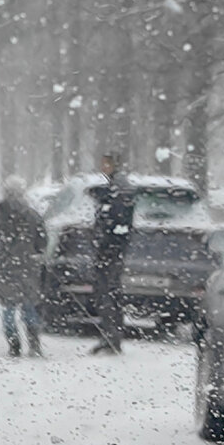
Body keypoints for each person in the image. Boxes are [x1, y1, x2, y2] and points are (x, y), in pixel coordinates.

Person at [0, 175, 47, 357]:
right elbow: (42, 241)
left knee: (8, 309)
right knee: (29, 308)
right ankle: (34, 344)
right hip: (28, 268)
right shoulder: (33, 216)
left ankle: (14, 345)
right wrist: (34, 253)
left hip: (5, 269)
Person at [90, 152, 135, 355]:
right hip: (112, 247)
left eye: (105, 164)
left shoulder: (119, 188)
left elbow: (116, 218)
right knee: (110, 292)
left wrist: (106, 240)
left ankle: (111, 336)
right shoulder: (116, 186)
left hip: (111, 248)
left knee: (108, 291)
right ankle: (110, 335)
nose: (102, 168)